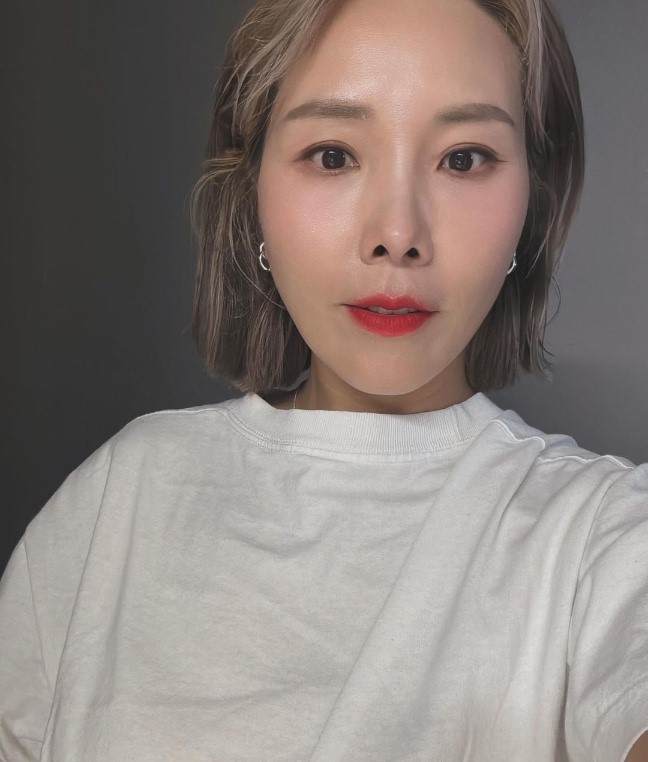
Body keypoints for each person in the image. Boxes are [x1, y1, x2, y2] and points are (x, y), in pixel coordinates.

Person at [1, 0, 647, 759]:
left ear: (532, 201)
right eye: (333, 156)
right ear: (253, 192)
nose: (397, 236)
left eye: (464, 158)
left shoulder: (602, 537)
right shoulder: (120, 496)